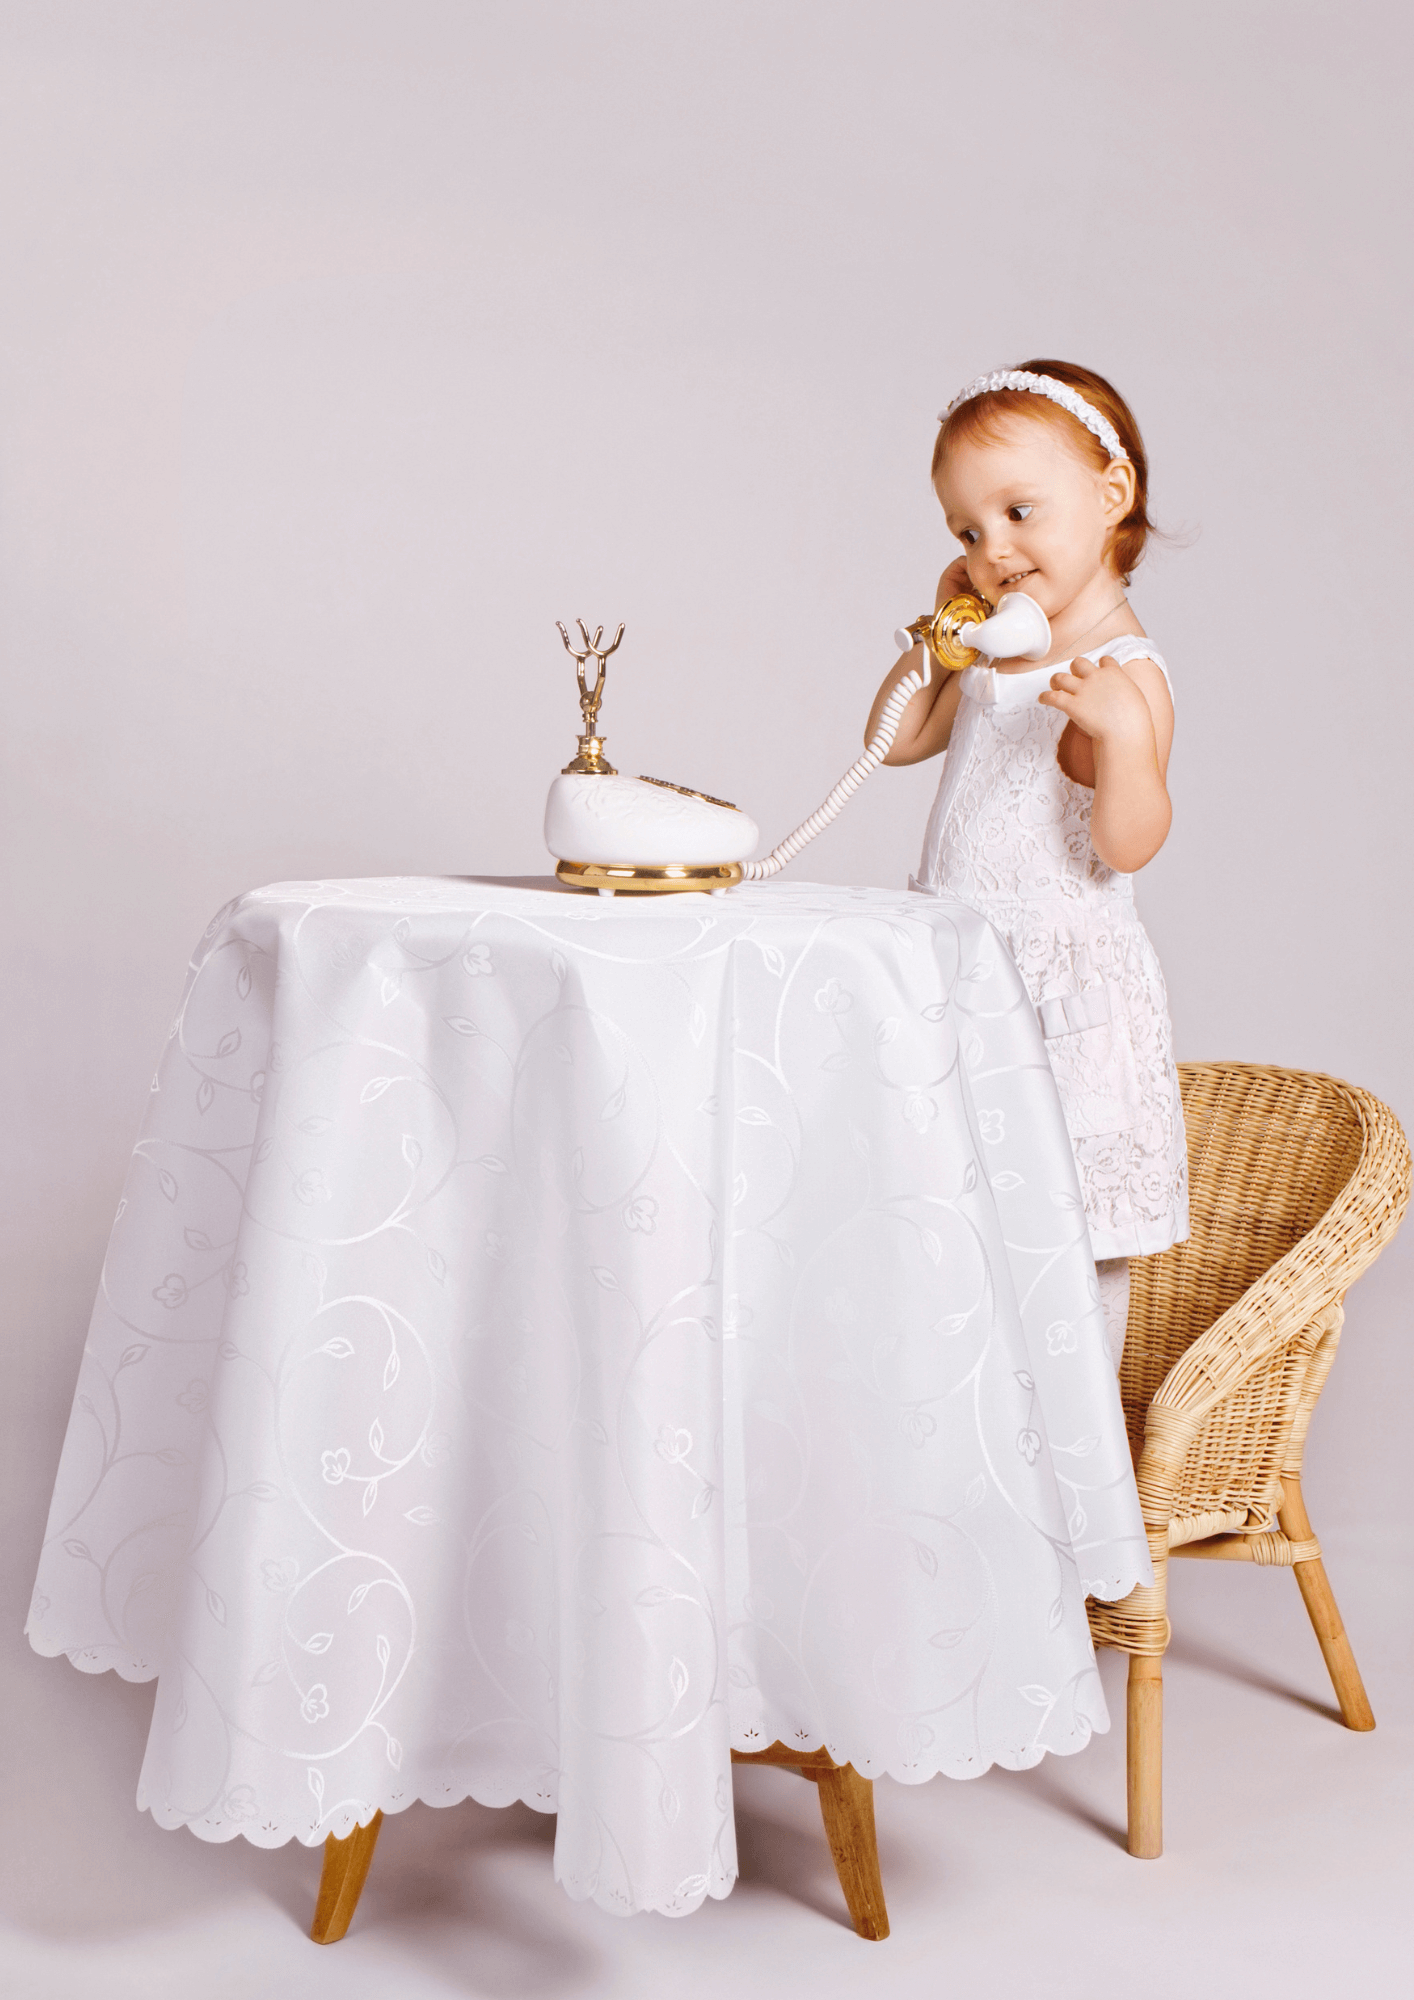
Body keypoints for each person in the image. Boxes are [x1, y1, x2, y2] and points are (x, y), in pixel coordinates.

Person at [866, 360, 1188, 1365]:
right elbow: (899, 739)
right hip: (965, 960)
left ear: (1110, 495)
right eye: (966, 530)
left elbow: (1124, 841)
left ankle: (1074, 1443)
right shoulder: (996, 650)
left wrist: (1123, 742)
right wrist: (941, 634)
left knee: (1071, 1226)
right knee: (958, 1209)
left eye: (1016, 511)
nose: (991, 548)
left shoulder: (1123, 674)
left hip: (1060, 983)